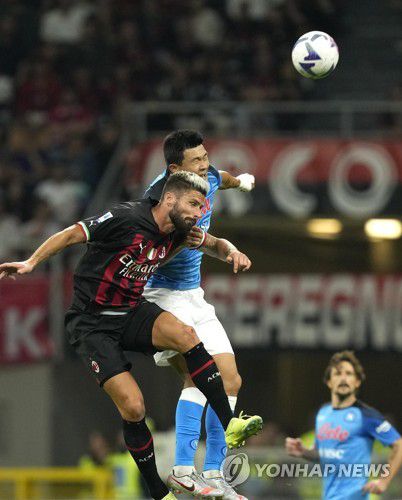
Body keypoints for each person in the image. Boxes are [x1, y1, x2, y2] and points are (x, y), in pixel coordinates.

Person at [0, 171, 262, 500]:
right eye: (194, 205)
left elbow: (213, 243)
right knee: (135, 408)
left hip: (131, 310)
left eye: (202, 207)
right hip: (92, 324)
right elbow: (71, 233)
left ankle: (229, 423)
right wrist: (31, 262)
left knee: (186, 335)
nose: (199, 213)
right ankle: (159, 492)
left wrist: (231, 251)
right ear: (170, 199)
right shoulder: (126, 217)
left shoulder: (183, 232)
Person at [143, 129, 255, 499]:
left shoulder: (207, 177)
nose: (205, 164)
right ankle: (181, 471)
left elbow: (222, 177)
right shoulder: (158, 201)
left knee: (231, 380)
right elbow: (145, 257)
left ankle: (215, 475)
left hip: (193, 295)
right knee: (198, 376)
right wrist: (178, 244)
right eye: (198, 160)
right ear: (175, 170)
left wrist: (241, 183)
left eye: (206, 156)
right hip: (161, 296)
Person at [285, 350, 402, 499]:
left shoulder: (366, 415)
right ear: (329, 382)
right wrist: (304, 452)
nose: (343, 378)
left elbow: (399, 445)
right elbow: (325, 454)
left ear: (357, 381)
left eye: (349, 374)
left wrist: (384, 481)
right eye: (338, 374)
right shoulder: (323, 413)